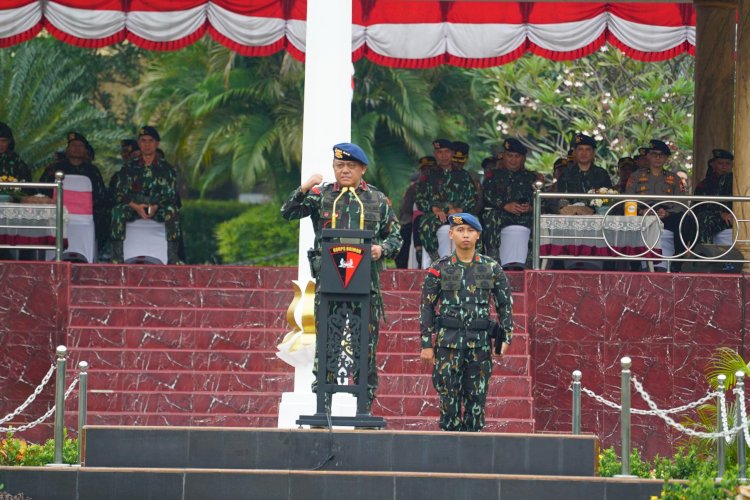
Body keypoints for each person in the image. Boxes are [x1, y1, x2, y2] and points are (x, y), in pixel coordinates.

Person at [281, 142, 402, 413]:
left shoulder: (377, 200)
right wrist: (303, 188)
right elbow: (287, 212)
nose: (344, 170)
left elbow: (396, 236)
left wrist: (382, 249)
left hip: (365, 286)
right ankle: (323, 408)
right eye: (339, 166)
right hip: (329, 285)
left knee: (365, 348)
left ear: (362, 169)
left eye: (350, 166)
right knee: (327, 345)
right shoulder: (320, 196)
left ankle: (364, 409)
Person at [419, 212, 513, 432]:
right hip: (447, 345)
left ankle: (474, 454)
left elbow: (505, 305)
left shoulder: (491, 268)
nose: (465, 235)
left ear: (478, 235)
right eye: (460, 230)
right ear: (451, 234)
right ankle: (449, 452)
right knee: (448, 401)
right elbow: (426, 307)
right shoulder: (439, 268)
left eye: (470, 231)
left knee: (476, 402)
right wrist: (426, 344)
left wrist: (505, 338)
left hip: (479, 346)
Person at [110, 126, 182, 264]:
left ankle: (172, 257)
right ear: (138, 143)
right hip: (134, 207)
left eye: (151, 141)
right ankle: (117, 258)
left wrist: (155, 206)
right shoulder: (129, 167)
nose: (147, 144)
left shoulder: (167, 169)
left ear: (157, 144)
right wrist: (136, 206)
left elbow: (171, 195)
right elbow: (119, 193)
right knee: (117, 211)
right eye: (143, 140)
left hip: (157, 208)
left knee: (172, 211)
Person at [39, 132, 109, 248]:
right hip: (57, 214)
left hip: (86, 216)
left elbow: (101, 196)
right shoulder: (55, 168)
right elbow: (43, 190)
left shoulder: (92, 171)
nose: (77, 148)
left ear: (86, 150)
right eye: (73, 145)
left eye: (80, 146)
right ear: (67, 149)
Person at [625, 139, 687, 271]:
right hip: (642, 214)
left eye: (662, 155)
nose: (658, 158)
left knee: (685, 220)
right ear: (648, 156)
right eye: (654, 154)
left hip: (666, 216)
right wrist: (641, 211)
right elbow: (628, 199)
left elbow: (682, 203)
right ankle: (635, 265)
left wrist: (668, 213)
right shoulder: (635, 176)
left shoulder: (675, 178)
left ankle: (676, 262)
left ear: (666, 158)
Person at [416, 139, 478, 266]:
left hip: (458, 215)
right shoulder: (428, 174)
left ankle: (473, 262)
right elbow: (420, 198)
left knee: (475, 225)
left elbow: (472, 198)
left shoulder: (463, 175)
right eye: (440, 152)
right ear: (435, 154)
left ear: (452, 153)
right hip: (436, 216)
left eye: (447, 152)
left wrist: (460, 210)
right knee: (425, 226)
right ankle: (436, 260)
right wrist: (433, 208)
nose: (443, 156)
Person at [482, 138, 537, 269]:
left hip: (524, 216)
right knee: (490, 216)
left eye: (517, 156)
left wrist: (531, 208)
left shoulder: (532, 178)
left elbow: (542, 201)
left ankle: (531, 259)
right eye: (510, 156)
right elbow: (487, 195)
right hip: (502, 215)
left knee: (540, 220)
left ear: (523, 158)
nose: (513, 160)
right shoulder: (493, 175)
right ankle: (493, 257)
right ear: (503, 156)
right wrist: (504, 205)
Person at [557, 133, 612, 215]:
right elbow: (560, 198)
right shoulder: (566, 173)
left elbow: (608, 200)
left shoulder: (601, 174)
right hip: (570, 217)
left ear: (593, 153)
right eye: (580, 149)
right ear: (575, 152)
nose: (584, 153)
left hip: (596, 218)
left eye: (587, 149)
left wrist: (589, 209)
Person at [693, 149, 734, 245]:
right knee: (703, 218)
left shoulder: (737, 182)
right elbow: (700, 207)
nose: (724, 167)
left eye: (727, 164)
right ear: (713, 164)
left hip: (735, 218)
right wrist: (721, 214)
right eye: (720, 163)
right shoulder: (704, 185)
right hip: (714, 219)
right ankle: (706, 255)